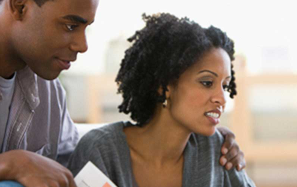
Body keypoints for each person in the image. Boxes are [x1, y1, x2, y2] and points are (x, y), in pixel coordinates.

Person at [68, 13, 255, 187]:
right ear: (164, 86)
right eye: (207, 83)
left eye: (225, 85)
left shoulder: (217, 150)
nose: (222, 98)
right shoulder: (102, 152)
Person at [0, 0, 99, 186]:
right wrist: (10, 165)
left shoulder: (49, 91)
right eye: (70, 26)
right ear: (20, 7)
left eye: (85, 28)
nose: (82, 46)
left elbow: (73, 169)